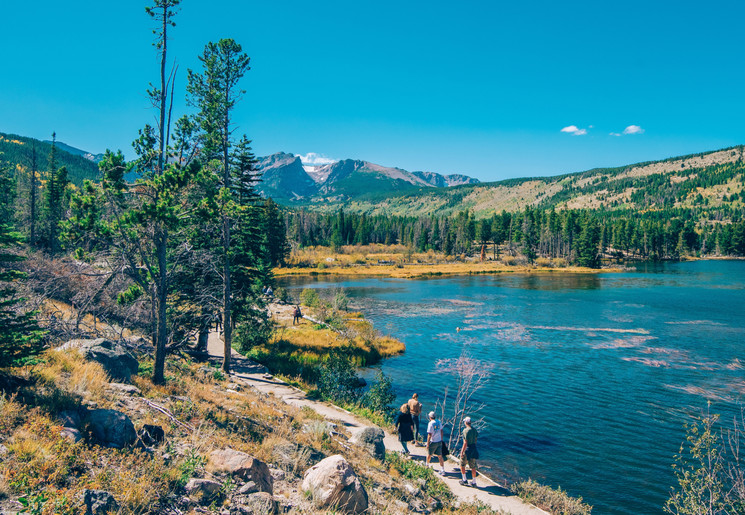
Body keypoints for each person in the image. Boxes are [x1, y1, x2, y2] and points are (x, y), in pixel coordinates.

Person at [459, 416, 480, 487]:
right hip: (473, 448)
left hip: (467, 449)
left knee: (462, 464)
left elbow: (465, 442)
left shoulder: (465, 431)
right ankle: (474, 482)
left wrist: (462, 451)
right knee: (473, 466)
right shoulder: (474, 430)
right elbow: (476, 439)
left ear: (466, 422)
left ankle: (464, 480)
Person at [425, 411, 446, 475]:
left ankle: (427, 465)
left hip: (433, 441)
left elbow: (429, 434)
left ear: (430, 417)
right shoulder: (439, 422)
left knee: (429, 454)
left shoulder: (430, 423)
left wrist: (428, 443)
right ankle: (442, 469)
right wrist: (441, 439)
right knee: (440, 456)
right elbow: (441, 431)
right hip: (439, 441)